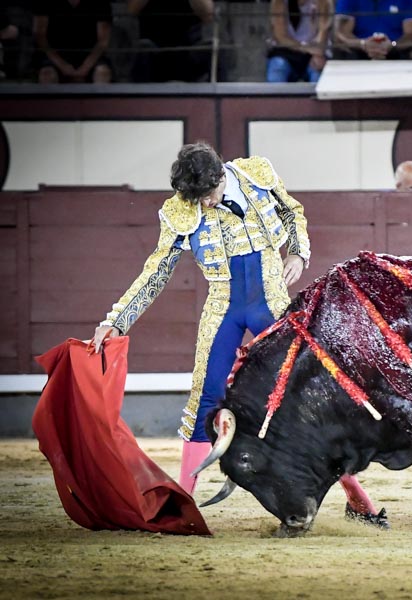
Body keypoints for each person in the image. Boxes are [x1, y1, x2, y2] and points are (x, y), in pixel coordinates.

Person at [90, 142, 383, 524]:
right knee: (203, 399)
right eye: (196, 200)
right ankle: (183, 505)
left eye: (208, 196)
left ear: (221, 178)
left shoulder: (257, 174)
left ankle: (358, 499)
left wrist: (297, 252)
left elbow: (293, 213)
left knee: (305, 404)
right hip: (223, 309)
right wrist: (116, 320)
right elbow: (156, 271)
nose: (205, 206)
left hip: (273, 307)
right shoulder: (179, 210)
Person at [128, 0, 214, 82]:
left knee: (212, 47)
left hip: (190, 52)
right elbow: (131, 10)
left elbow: (208, 16)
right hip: (153, 52)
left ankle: (220, 95)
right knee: (144, 47)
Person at [32, 0, 113, 84]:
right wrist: (62, 65)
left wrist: (84, 68)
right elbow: (40, 37)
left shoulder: (101, 2)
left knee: (102, 72)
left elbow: (103, 41)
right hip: (55, 55)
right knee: (47, 73)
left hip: (90, 56)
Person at [332, 0, 412, 59]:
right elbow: (340, 33)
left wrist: (392, 45)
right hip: (358, 53)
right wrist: (363, 44)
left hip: (396, 52)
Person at [267, 0, 332, 83]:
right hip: (286, 52)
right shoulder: (279, 2)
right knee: (277, 67)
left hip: (313, 54)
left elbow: (322, 34)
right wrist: (305, 48)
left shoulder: (323, 2)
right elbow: (281, 37)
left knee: (317, 74)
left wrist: (317, 53)